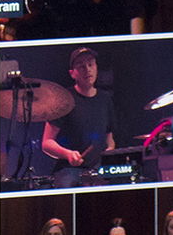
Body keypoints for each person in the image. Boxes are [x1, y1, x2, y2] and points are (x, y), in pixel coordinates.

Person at [40, 47, 118, 188]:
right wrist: (68, 154)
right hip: (69, 170)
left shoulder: (105, 99)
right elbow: (47, 143)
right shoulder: (63, 100)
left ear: (96, 68)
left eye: (90, 64)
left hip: (98, 168)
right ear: (72, 73)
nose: (87, 69)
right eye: (81, 66)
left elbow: (109, 140)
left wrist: (109, 153)